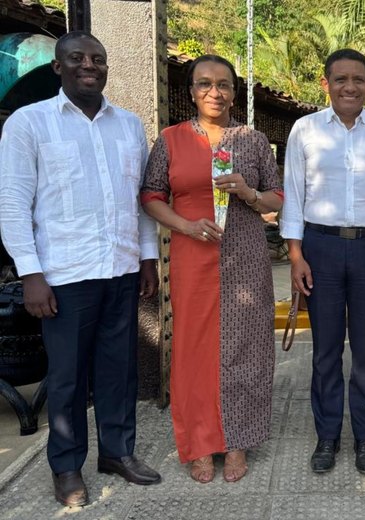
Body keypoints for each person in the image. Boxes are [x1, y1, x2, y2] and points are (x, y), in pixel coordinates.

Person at [0, 31, 161, 507]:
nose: (88, 65)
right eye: (77, 58)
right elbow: (12, 204)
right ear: (58, 67)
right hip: (63, 276)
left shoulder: (129, 125)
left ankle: (117, 452)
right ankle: (67, 467)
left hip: (121, 268)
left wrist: (148, 257)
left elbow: (140, 202)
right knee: (68, 379)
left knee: (120, 371)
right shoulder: (30, 125)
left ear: (106, 68)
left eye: (97, 59)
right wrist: (30, 273)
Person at [141, 54, 283, 484]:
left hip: (244, 259)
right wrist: (185, 225)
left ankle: (237, 440)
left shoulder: (253, 140)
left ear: (234, 93)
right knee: (193, 350)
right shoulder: (171, 139)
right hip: (192, 256)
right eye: (204, 84)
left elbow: (277, 199)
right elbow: (150, 196)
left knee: (245, 349)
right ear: (191, 91)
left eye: (223, 84)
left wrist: (248, 192)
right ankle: (200, 442)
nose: (214, 92)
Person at [282, 48, 365, 475]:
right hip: (321, 249)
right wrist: (295, 255)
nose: (349, 87)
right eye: (340, 79)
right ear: (326, 84)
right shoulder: (305, 130)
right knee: (326, 350)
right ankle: (328, 436)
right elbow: (294, 197)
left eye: (358, 79)